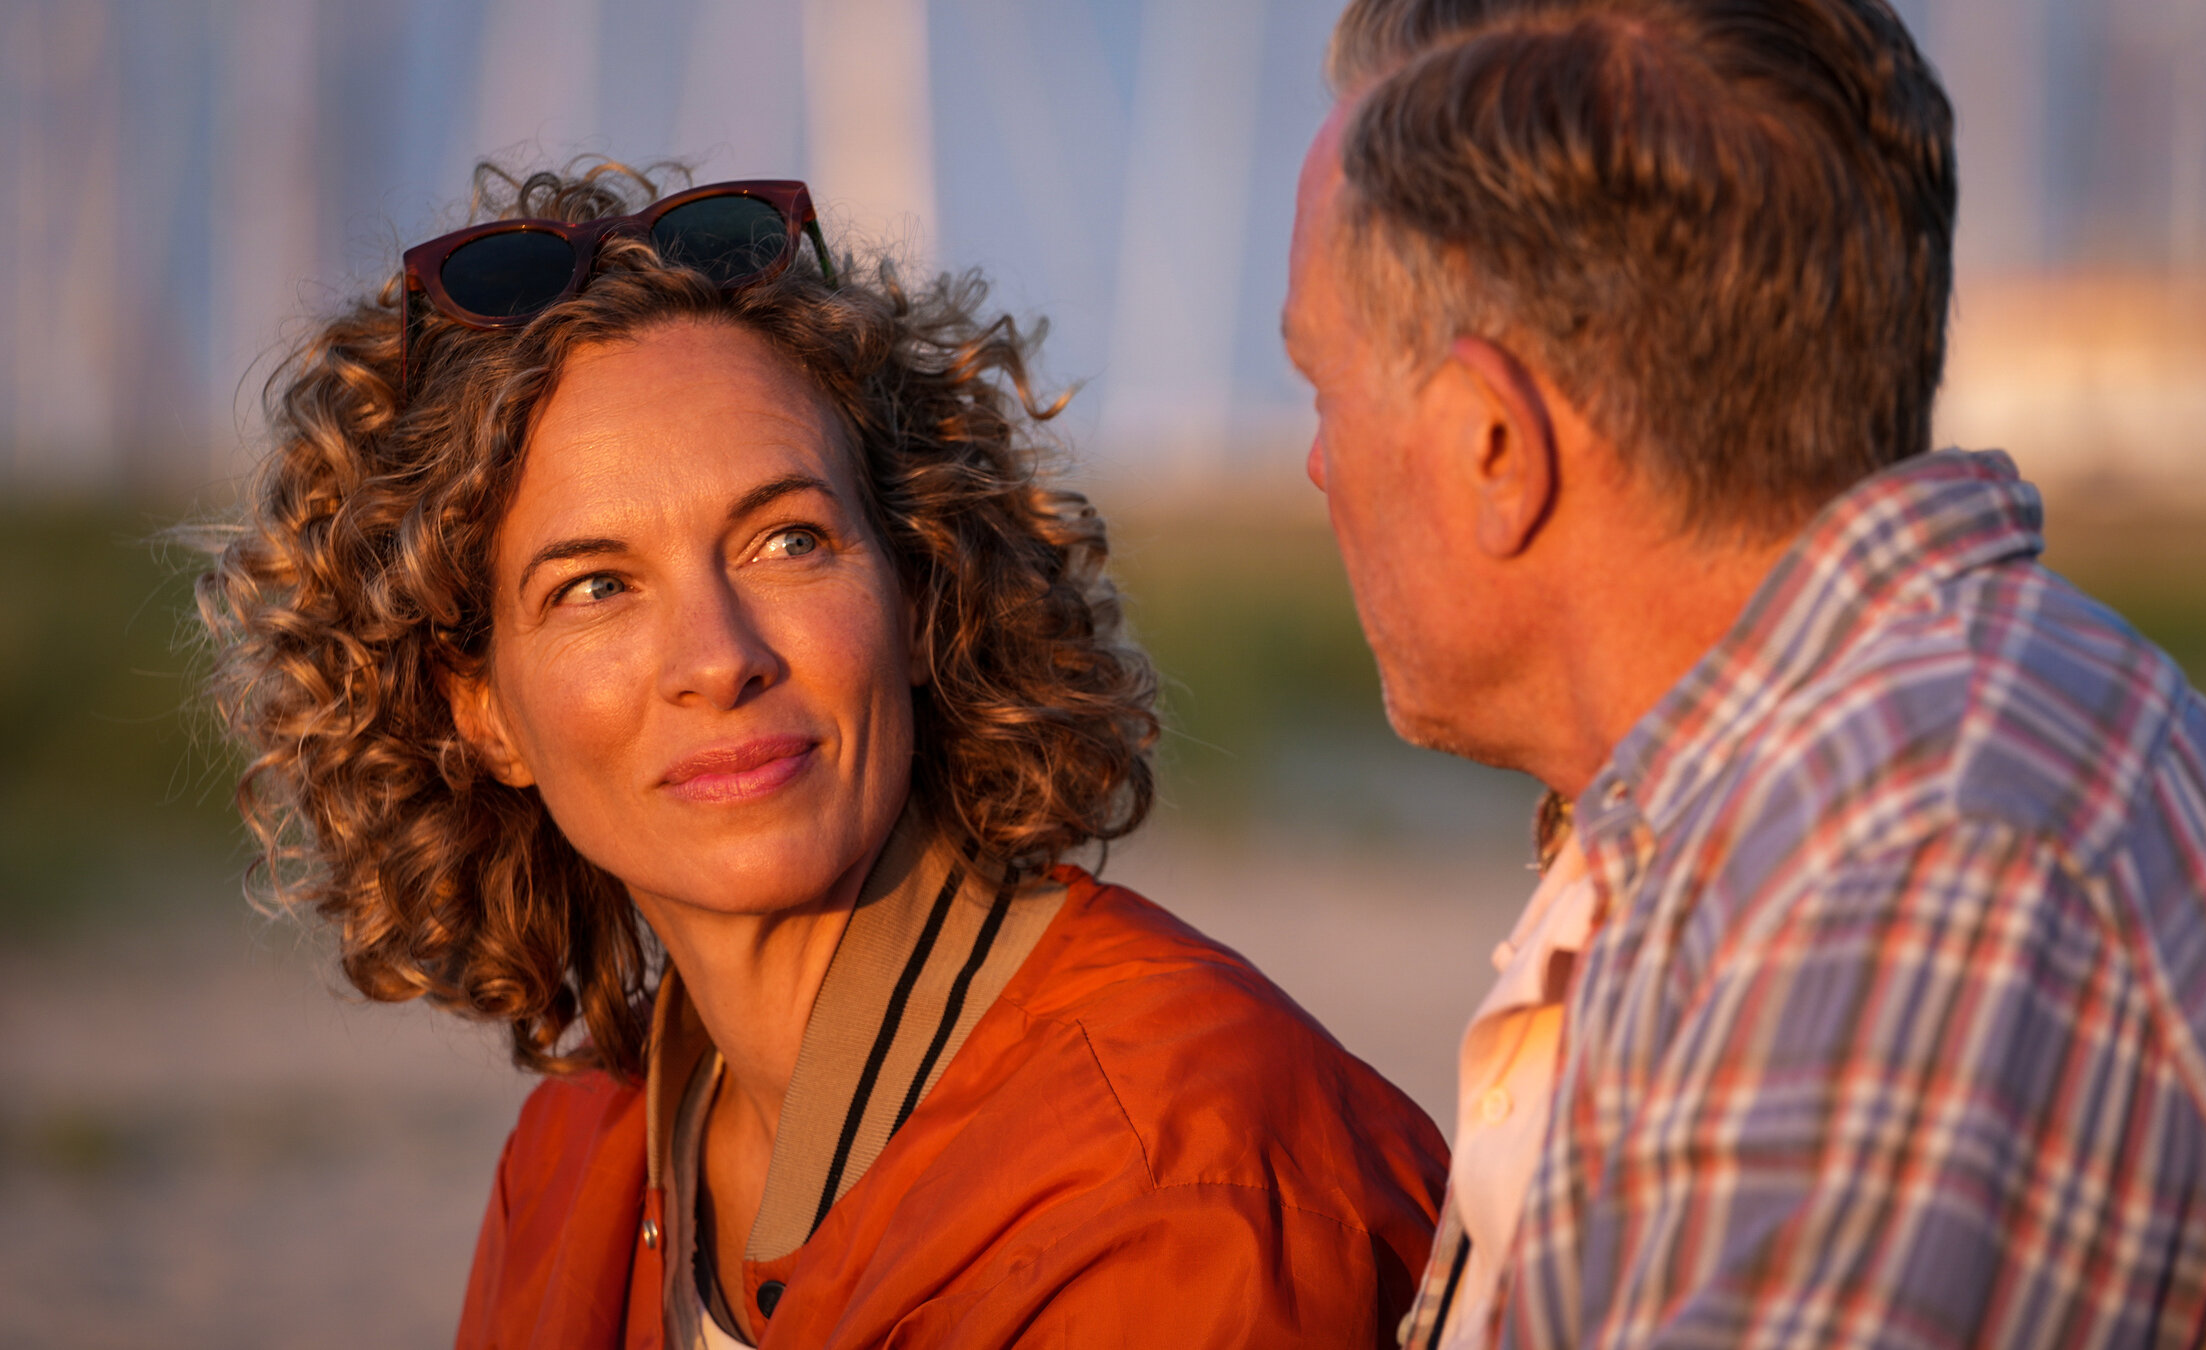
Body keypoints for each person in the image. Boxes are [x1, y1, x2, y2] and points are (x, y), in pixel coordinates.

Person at [1281, 1, 2206, 1346]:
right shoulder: (1827, 788)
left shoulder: (1922, 872)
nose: (1318, 465)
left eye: (1321, 388)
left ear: (1495, 447)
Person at [198, 162, 1445, 1349]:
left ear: (917, 587)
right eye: (594, 586)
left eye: (787, 542)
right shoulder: (574, 1168)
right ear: (480, 713)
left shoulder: (1175, 1176)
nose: (718, 658)